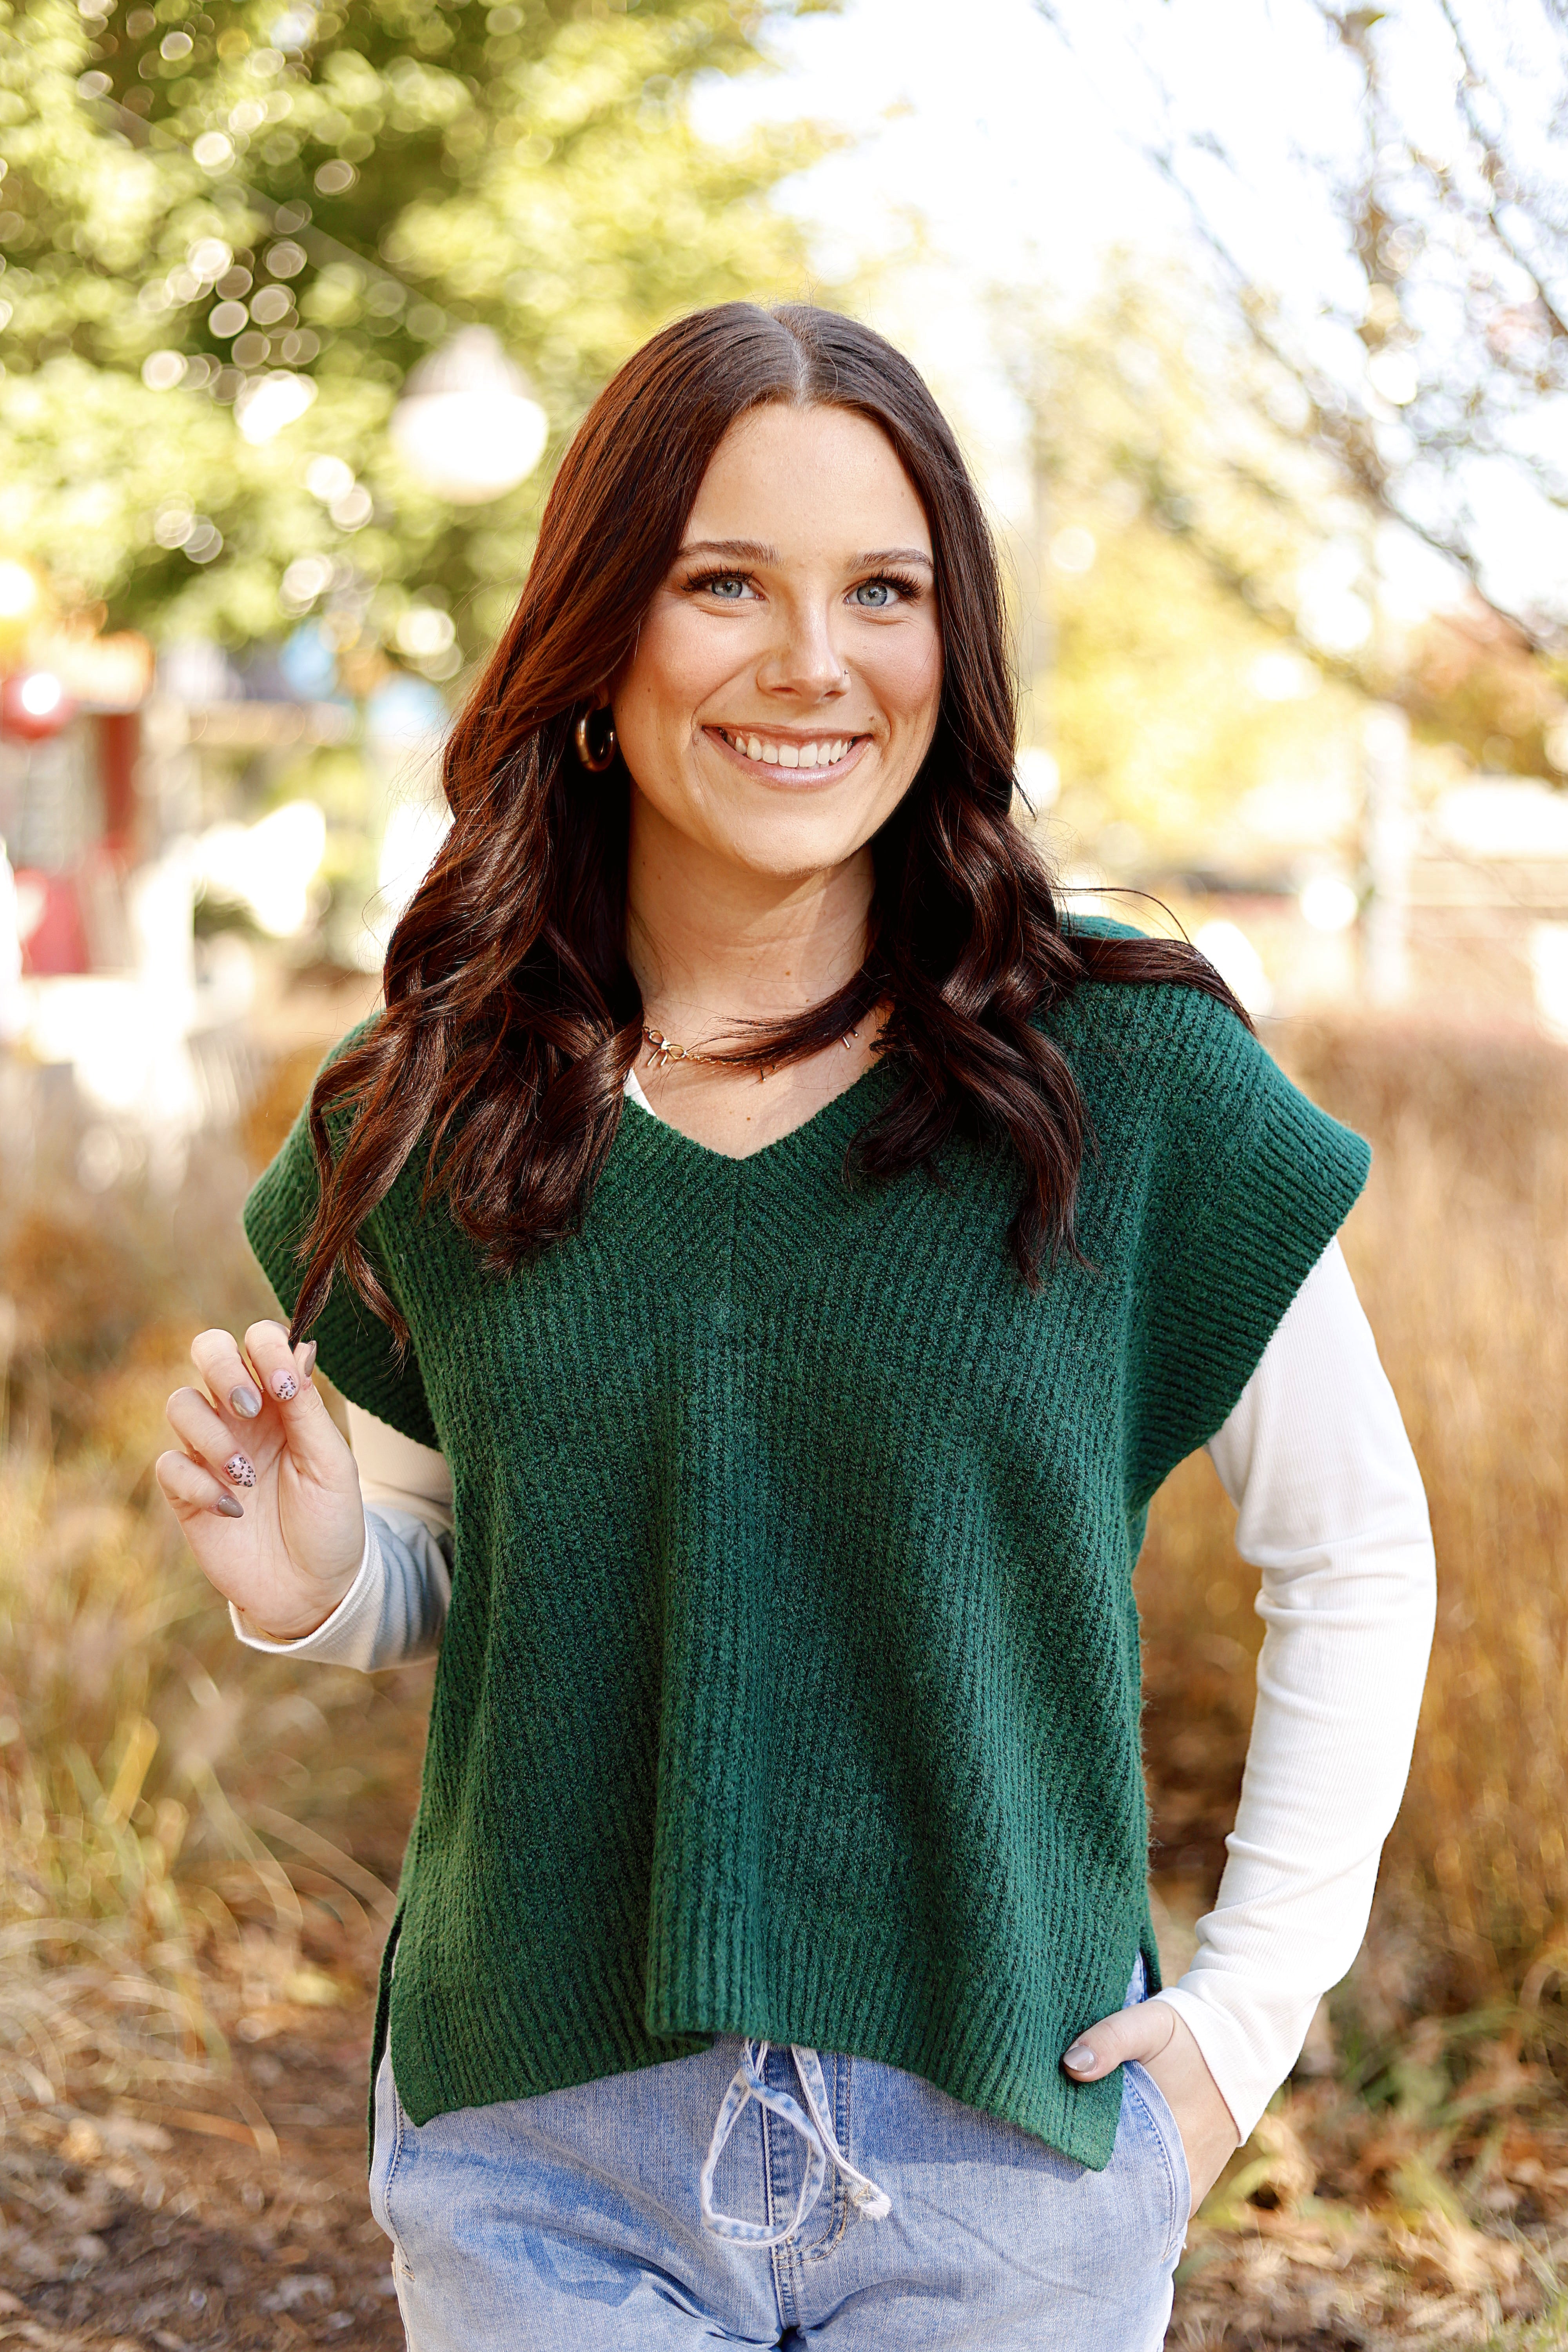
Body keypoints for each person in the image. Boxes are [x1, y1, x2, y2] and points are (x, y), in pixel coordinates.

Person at [155, 303, 1436, 2352]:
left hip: (1002, 2156)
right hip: (544, 2157)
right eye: (725, 583)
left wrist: (1244, 2021)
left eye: (884, 592)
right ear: (600, 642)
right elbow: (454, 1565)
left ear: (954, 644)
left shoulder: (1129, 1079)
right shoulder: (443, 1097)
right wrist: (315, 1580)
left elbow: (1354, 1553)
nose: (814, 661)